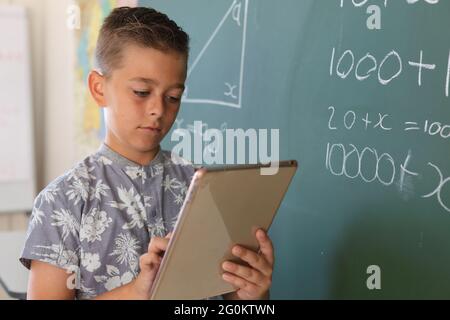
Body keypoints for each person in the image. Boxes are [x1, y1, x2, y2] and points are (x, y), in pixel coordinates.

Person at [20, 6, 274, 300]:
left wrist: (254, 294)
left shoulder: (205, 190)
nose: (158, 109)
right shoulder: (62, 202)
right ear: (99, 88)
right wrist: (136, 292)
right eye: (141, 92)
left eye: (173, 97)